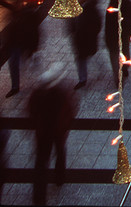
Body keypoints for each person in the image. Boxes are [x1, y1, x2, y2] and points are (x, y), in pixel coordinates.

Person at [28, 63, 76, 205]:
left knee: (41, 162)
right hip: (58, 131)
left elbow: (31, 110)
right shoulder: (62, 93)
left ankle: (39, 197)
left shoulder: (37, 93)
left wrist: (35, 124)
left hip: (43, 133)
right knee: (60, 151)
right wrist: (65, 126)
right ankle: (59, 177)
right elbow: (70, 110)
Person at [0, 0, 41, 98]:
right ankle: (15, 87)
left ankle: (17, 85)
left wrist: (34, 47)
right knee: (13, 64)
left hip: (21, 42)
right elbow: (7, 5)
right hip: (13, 42)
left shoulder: (30, 14)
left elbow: (35, 31)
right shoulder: (17, 10)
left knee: (17, 63)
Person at [67, 0, 101, 88]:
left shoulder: (90, 9)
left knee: (87, 58)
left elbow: (97, 24)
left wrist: (91, 34)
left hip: (86, 39)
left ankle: (84, 78)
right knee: (82, 59)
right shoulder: (78, 8)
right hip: (80, 40)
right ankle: (82, 79)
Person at [105, 0, 130, 83]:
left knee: (115, 59)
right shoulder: (126, 3)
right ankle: (125, 68)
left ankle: (118, 78)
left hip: (113, 38)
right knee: (125, 50)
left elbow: (108, 26)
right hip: (123, 35)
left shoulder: (110, 9)